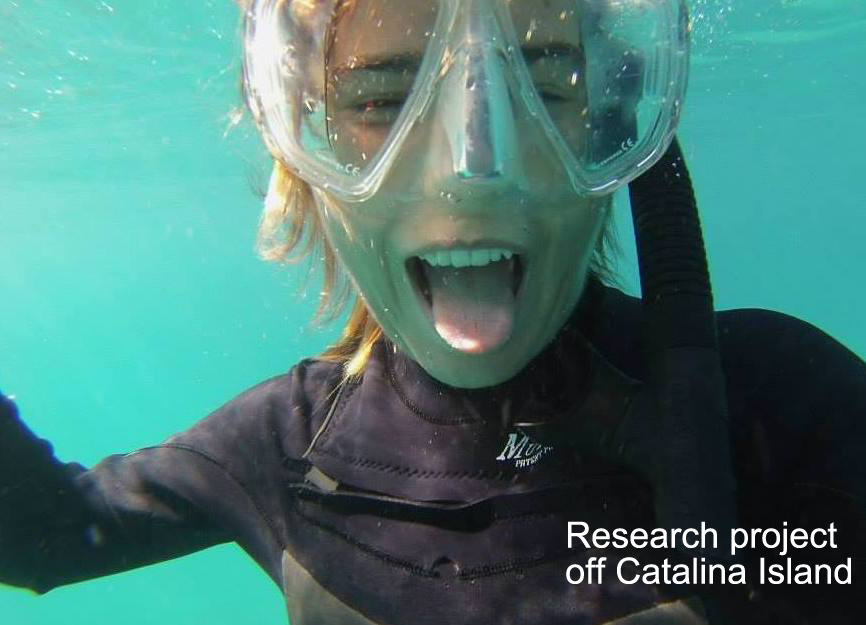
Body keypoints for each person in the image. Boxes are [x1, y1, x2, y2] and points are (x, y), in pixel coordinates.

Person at [2, 0, 865, 623]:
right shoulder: (286, 445)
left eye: (547, 80)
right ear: (299, 158)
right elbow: (39, 536)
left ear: (612, 129)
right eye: (382, 98)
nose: (473, 166)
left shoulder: (778, 405)